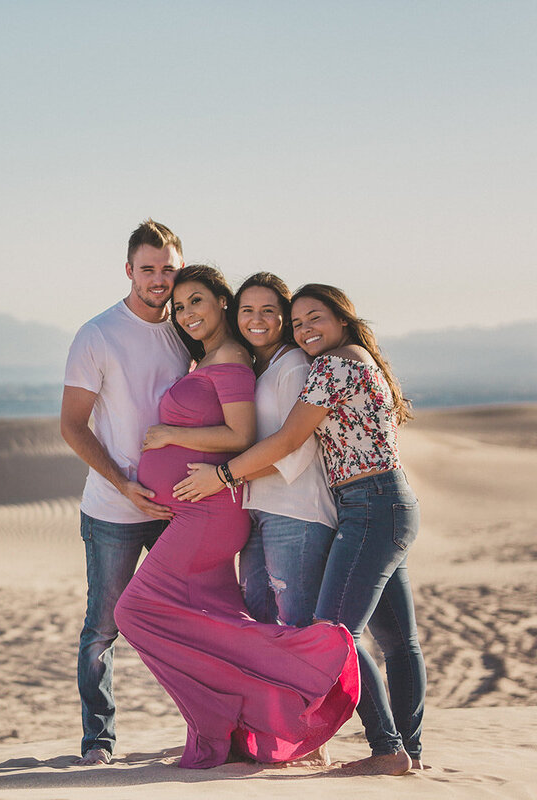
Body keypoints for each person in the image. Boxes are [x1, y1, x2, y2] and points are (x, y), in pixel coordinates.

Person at [114, 266, 359, 769]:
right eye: (179, 307)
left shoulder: (244, 361)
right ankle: (233, 730)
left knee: (135, 611)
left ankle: (315, 670)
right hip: (227, 509)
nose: (186, 314)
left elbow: (246, 437)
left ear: (220, 304)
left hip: (231, 513)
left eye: (197, 301)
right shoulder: (227, 359)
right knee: (228, 620)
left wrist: (170, 438)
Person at [173, 283, 424, 775]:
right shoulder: (358, 360)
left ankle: (388, 748)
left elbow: (289, 438)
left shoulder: (331, 366)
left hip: (369, 506)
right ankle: (408, 751)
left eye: (317, 319)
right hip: (386, 502)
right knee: (398, 641)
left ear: (344, 321)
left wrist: (223, 475)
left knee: (333, 635)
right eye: (301, 321)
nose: (307, 329)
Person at [60, 219, 192, 766]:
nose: (159, 279)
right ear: (128, 270)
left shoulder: (190, 330)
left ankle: (207, 731)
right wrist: (123, 483)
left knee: (191, 622)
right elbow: (72, 425)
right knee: (102, 629)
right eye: (148, 269)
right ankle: (99, 740)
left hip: (179, 507)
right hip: (114, 509)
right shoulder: (98, 333)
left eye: (168, 269)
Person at [232, 273, 338, 626]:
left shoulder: (293, 365)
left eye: (268, 310)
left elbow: (298, 451)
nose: (256, 320)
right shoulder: (259, 367)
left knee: (305, 627)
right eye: (247, 310)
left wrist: (227, 477)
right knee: (260, 619)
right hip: (260, 510)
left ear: (284, 317)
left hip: (296, 514)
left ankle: (361, 685)